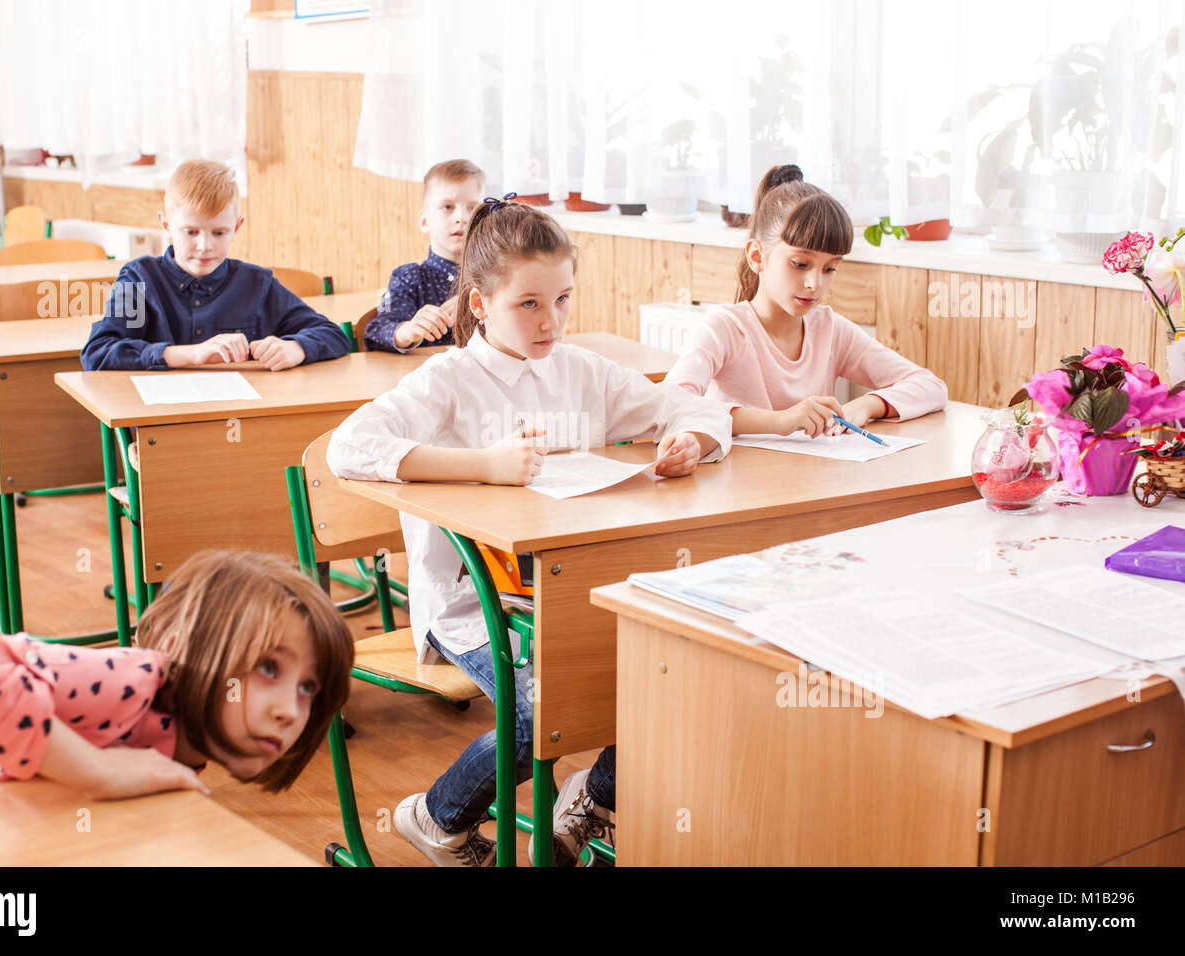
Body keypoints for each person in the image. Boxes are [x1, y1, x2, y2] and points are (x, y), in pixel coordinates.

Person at [327, 196, 731, 865]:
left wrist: (690, 438)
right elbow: (350, 447)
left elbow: (693, 408)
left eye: (563, 300)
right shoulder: (449, 380)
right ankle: (436, 815)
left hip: (573, 595)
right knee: (545, 707)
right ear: (480, 304)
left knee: (669, 667)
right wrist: (483, 466)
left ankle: (594, 797)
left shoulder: (581, 371)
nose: (552, 321)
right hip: (474, 609)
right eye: (530, 305)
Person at [0, 550, 353, 808]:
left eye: (307, 688)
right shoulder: (131, 682)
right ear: (189, 647)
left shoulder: (177, 752)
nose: (290, 711)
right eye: (268, 668)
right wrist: (95, 770)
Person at [667, 164, 947, 437]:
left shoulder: (830, 329)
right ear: (757, 256)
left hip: (809, 481)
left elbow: (931, 386)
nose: (815, 284)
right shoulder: (725, 328)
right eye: (800, 264)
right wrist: (778, 421)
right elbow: (670, 404)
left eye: (829, 269)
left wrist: (868, 405)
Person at [82, 159, 349, 371]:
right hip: (158, 424)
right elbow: (99, 352)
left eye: (219, 233)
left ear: (237, 227)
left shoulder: (256, 284)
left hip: (240, 417)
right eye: (190, 232)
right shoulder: (140, 280)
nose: (204, 245)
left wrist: (296, 348)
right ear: (165, 225)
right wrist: (191, 354)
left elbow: (333, 335)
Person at [362, 159, 485, 352]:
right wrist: (408, 330)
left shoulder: (495, 277)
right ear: (425, 221)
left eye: (472, 207)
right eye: (447, 207)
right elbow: (376, 332)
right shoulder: (409, 277)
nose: (462, 218)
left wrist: (483, 302)